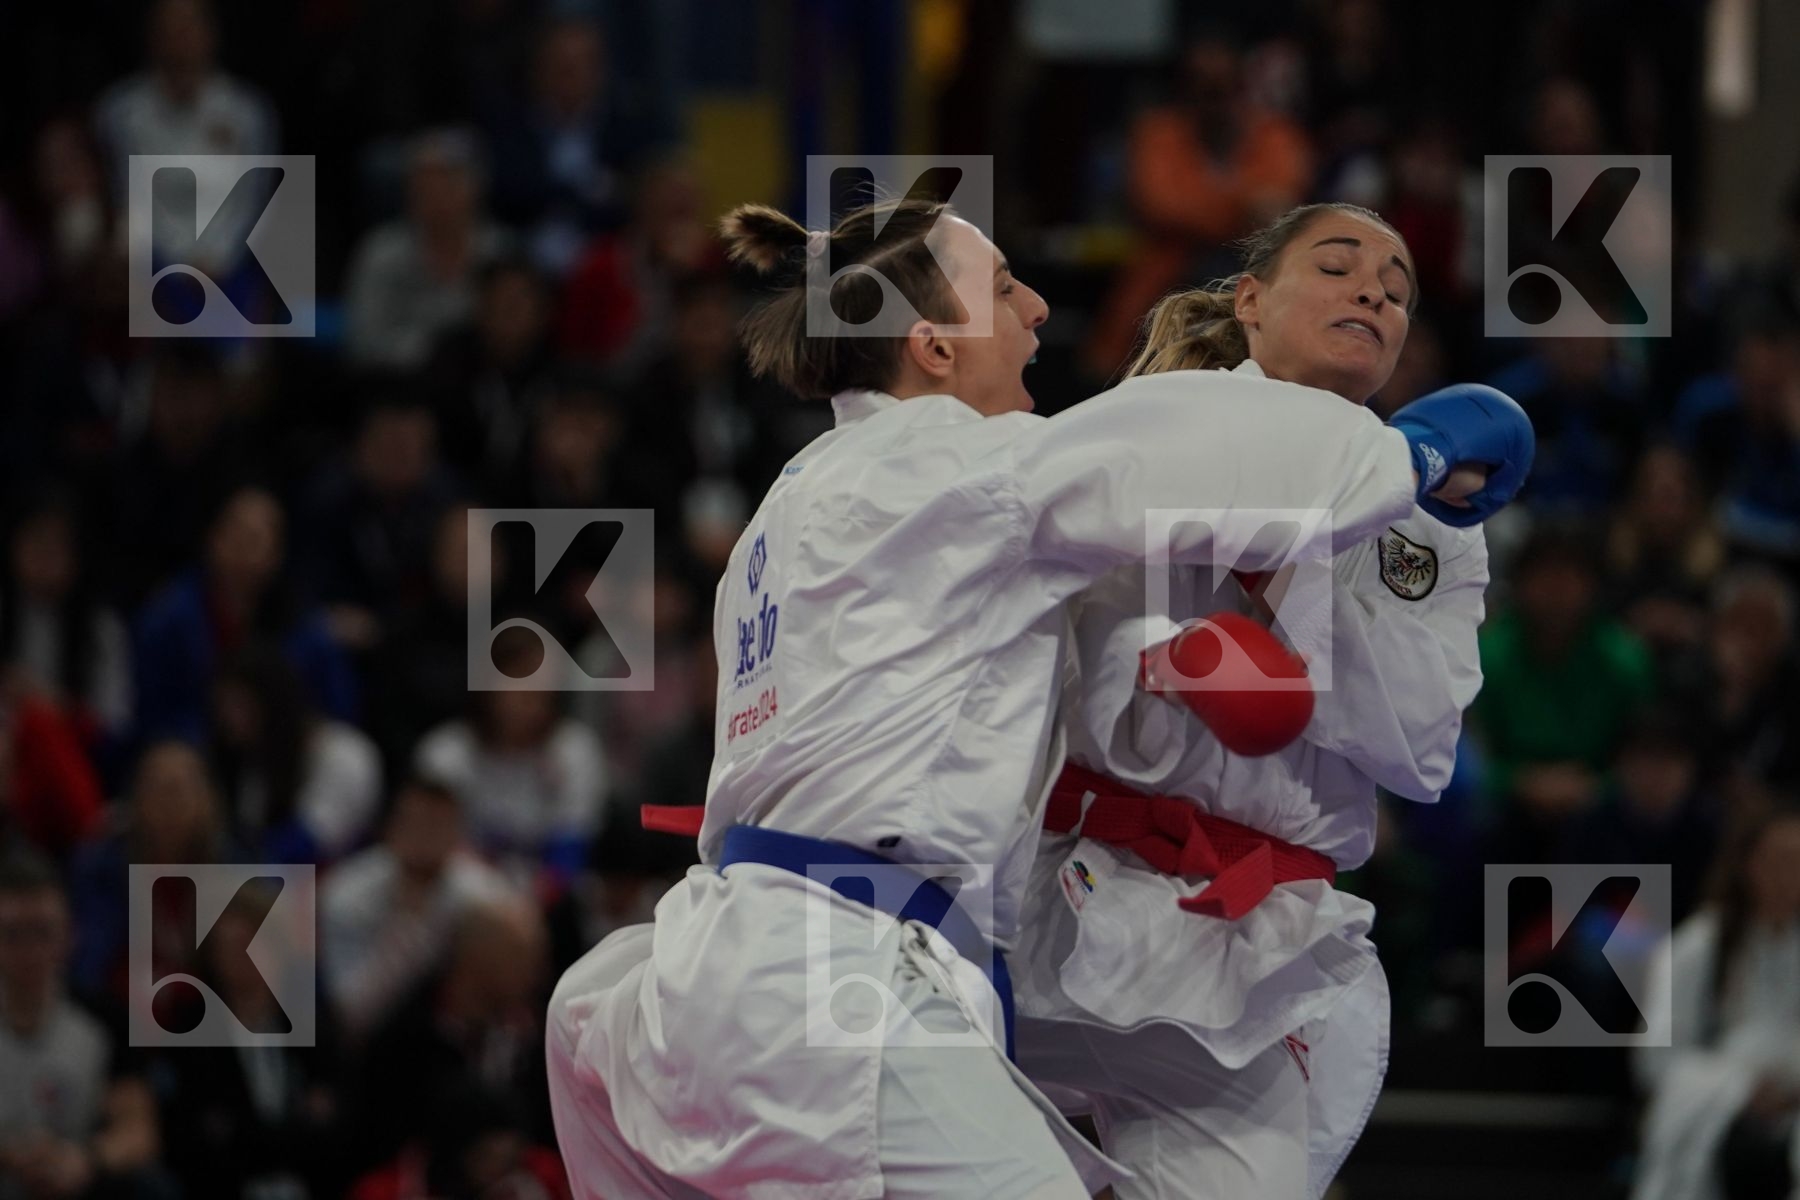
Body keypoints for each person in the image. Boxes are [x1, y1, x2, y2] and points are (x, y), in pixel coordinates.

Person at [545, 195, 1527, 1199]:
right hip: (856, 967)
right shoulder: (979, 471)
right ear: (933, 344)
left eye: (1400, 287)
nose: (1041, 309)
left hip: (710, 969)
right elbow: (1193, 465)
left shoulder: (798, 496)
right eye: (1006, 288)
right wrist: (1412, 457)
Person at [1010, 202, 1529, 1199]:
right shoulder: (1163, 429)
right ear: (1250, 301)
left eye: (1396, 290)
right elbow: (1075, 650)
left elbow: (1422, 749)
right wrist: (1178, 659)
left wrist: (1290, 572)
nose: (1372, 290)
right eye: (1337, 267)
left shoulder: (1431, 528)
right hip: (1090, 882)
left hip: (1268, 926)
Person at [1633, 800, 1800, 1200]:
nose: (1788, 875)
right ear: (1746, 865)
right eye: (1777, 860)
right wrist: (1739, 1090)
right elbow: (1656, 1056)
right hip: (1721, 1117)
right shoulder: (1700, 945)